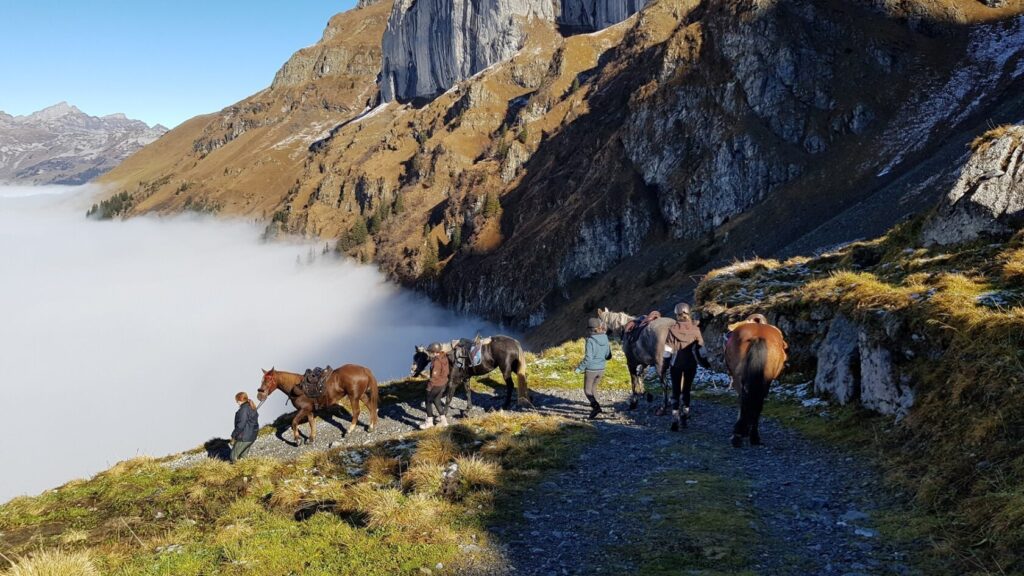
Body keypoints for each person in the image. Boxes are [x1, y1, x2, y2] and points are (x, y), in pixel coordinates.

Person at [665, 302, 712, 431]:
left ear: (676, 314)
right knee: (686, 390)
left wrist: (664, 365)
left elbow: (667, 350)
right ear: (688, 313)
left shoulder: (672, 329)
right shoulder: (695, 329)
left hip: (675, 364)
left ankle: (675, 417)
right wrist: (706, 363)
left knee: (675, 390)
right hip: (691, 364)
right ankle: (684, 416)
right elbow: (701, 349)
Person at [576, 317, 612, 419]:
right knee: (594, 388)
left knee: (587, 391)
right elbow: (608, 354)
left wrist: (579, 368)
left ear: (590, 329)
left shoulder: (590, 340)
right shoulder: (605, 337)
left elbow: (588, 358)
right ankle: (597, 405)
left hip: (591, 370)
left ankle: (596, 407)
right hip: (601, 369)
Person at [420, 342, 450, 429]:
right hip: (443, 383)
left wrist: (429, 388)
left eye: (431, 352)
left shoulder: (436, 361)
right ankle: (444, 422)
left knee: (428, 401)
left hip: (436, 385)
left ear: (435, 352)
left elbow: (434, 377)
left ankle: (429, 422)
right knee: (437, 400)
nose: (430, 354)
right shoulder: (444, 357)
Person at [231, 392, 259, 463]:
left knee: (233, 456)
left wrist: (233, 435)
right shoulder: (251, 407)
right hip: (251, 436)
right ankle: (247, 468)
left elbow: (241, 425)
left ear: (240, 400)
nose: (236, 402)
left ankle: (236, 469)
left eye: (236, 400)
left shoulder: (244, 409)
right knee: (243, 456)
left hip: (244, 437)